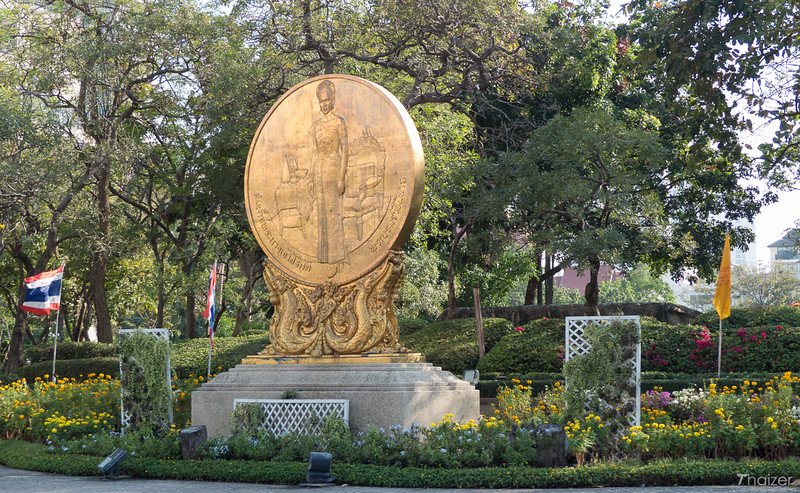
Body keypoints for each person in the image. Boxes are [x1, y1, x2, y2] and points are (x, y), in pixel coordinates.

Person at [309, 80, 349, 276]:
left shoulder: (339, 122)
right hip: (320, 173)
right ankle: (324, 258)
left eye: (327, 100)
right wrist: (310, 178)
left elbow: (345, 150)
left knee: (334, 214)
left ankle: (338, 257)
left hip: (334, 170)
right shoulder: (315, 126)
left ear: (333, 101)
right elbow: (314, 154)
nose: (324, 104)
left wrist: (341, 178)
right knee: (322, 215)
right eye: (321, 101)